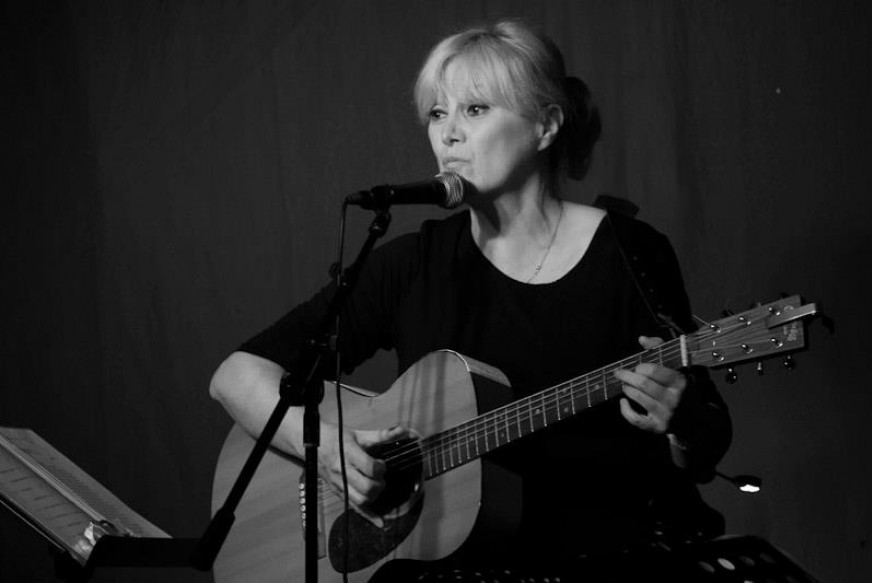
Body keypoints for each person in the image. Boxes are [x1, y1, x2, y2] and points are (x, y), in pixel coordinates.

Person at [210, 19, 732, 582]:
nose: (448, 136)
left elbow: (705, 443)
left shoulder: (629, 253)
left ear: (546, 126)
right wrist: (328, 449)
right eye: (438, 114)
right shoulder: (412, 264)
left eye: (475, 110)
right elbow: (236, 375)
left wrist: (680, 421)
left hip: (607, 563)